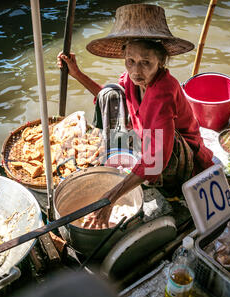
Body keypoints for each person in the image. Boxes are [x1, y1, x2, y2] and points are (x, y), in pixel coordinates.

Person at [57, 4, 214, 229]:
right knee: (111, 93)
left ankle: (159, 184)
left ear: (161, 61)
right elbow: (106, 97)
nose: (136, 71)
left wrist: (110, 198)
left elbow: (157, 159)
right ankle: (119, 155)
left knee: (152, 159)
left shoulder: (163, 92)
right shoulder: (132, 79)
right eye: (131, 61)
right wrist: (77, 73)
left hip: (180, 158)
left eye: (146, 63)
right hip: (149, 142)